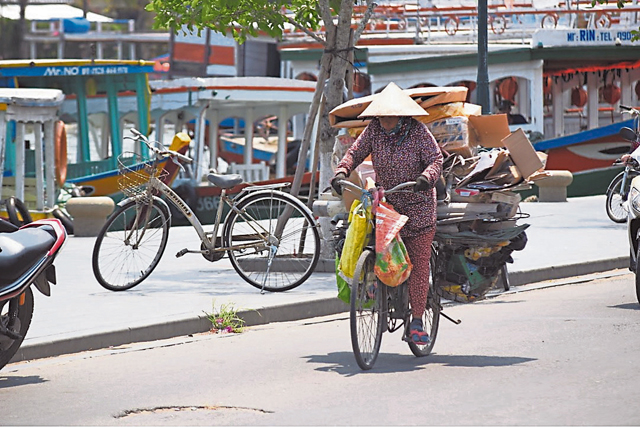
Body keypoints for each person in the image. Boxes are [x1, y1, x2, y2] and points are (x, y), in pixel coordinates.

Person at [330, 82, 443, 345]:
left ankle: (416, 320)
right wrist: (341, 172)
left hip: (419, 207)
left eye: (390, 116)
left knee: (417, 264)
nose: (386, 121)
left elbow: (436, 159)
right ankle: (381, 299)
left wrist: (426, 178)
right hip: (389, 205)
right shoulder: (374, 131)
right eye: (382, 116)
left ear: (402, 115)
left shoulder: (417, 132)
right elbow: (354, 153)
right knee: (378, 252)